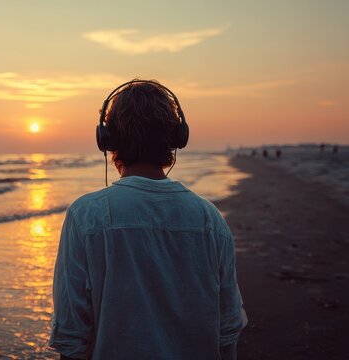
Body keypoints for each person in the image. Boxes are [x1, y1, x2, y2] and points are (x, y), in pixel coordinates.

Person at [48, 79, 248, 359]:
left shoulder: (86, 216)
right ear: (178, 137)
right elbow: (227, 330)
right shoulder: (209, 218)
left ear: (107, 139)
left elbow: (71, 335)